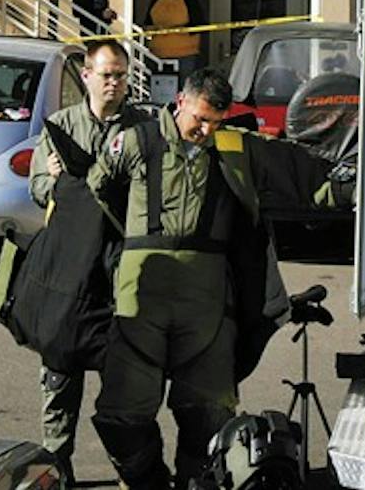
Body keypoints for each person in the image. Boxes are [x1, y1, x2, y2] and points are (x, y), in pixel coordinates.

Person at [88, 69, 329, 490]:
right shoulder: (136, 142)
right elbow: (96, 191)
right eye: (199, 118)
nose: (205, 130)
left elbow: (300, 174)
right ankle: (149, 483)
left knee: (209, 414)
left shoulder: (234, 147)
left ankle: (194, 484)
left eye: (215, 122)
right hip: (138, 297)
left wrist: (352, 182)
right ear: (181, 101)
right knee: (122, 413)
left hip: (208, 304)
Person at [27, 39, 148, 487]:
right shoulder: (61, 126)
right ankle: (58, 467)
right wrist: (55, 181)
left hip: (121, 270)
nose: (115, 83)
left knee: (126, 379)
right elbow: (37, 186)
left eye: (121, 75)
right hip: (69, 270)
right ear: (86, 76)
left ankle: (129, 469)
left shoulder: (142, 128)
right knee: (59, 374)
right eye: (107, 74)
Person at [142, 0, 205, 83]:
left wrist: (177, 29)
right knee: (160, 89)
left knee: (186, 87)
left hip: (185, 54)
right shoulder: (156, 0)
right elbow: (147, 25)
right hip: (159, 54)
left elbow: (199, 23)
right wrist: (155, 29)